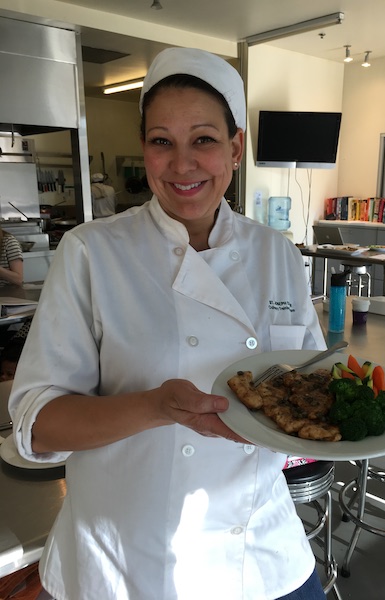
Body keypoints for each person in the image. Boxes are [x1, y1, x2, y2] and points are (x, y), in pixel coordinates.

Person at [9, 47, 327, 600]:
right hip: (129, 561)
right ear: (145, 150)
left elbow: (311, 380)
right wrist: (157, 407)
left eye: (203, 139)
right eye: (162, 141)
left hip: (259, 553)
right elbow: (39, 426)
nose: (182, 164)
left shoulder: (277, 254)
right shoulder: (92, 252)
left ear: (234, 148)